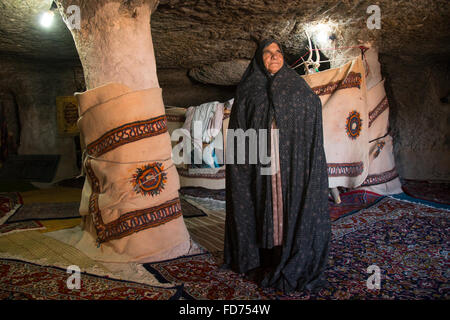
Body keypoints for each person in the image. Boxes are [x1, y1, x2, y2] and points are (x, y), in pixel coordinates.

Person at [223, 38, 331, 293]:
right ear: (258, 60)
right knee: (263, 203)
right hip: (260, 161)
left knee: (286, 204)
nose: (274, 56)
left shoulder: (296, 86)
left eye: (278, 52)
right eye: (267, 53)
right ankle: (264, 256)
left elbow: (312, 107)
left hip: (291, 163)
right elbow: (240, 128)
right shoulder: (249, 90)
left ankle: (289, 251)